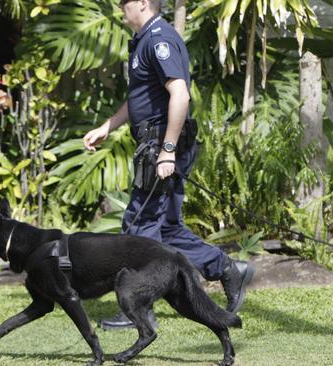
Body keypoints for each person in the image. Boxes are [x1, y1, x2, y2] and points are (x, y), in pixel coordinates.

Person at [83, 0, 255, 330]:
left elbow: (180, 94)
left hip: (161, 144)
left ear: (143, 3)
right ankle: (229, 269)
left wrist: (168, 150)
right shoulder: (144, 39)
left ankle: (138, 306)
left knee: (139, 225)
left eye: (125, 3)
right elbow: (142, 97)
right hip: (157, 142)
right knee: (167, 229)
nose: (121, 8)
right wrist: (109, 125)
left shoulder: (159, 39)